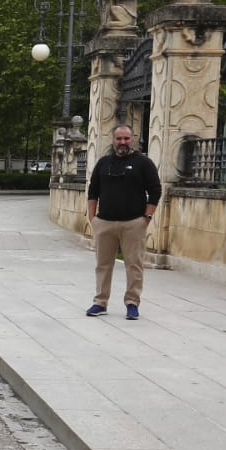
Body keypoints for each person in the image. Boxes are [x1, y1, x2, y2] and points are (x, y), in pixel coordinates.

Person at [85, 125, 161, 320]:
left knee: (134, 264)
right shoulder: (103, 163)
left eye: (126, 139)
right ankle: (100, 302)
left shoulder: (143, 163)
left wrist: (147, 218)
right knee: (103, 265)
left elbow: (155, 191)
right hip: (104, 223)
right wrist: (92, 218)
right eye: (119, 139)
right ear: (113, 140)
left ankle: (132, 303)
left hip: (134, 223)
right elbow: (93, 191)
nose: (123, 143)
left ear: (132, 139)